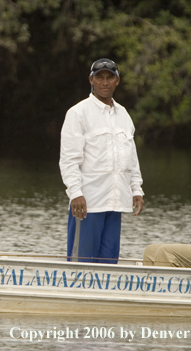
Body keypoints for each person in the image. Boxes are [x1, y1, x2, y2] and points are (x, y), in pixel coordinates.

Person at [59, 58, 144, 264]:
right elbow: (69, 159)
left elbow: (131, 158)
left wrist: (136, 190)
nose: (104, 82)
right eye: (100, 77)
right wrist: (76, 193)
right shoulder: (78, 113)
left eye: (110, 77)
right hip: (87, 204)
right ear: (91, 80)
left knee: (109, 265)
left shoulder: (124, 114)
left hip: (116, 203)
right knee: (82, 264)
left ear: (117, 81)